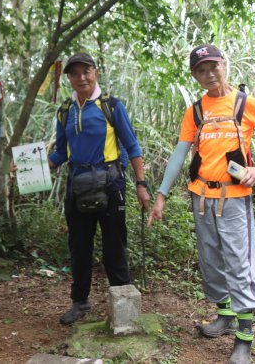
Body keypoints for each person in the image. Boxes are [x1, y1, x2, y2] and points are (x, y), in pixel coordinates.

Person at [148, 45, 255, 364]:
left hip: (235, 198)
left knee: (239, 265)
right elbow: (180, 153)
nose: (209, 73)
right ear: (195, 76)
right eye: (201, 69)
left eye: (213, 66)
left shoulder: (245, 104)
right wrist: (161, 194)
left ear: (224, 65)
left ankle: (244, 338)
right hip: (202, 197)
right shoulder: (195, 111)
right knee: (211, 261)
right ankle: (224, 316)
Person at [48, 52, 150, 325]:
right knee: (79, 246)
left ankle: (123, 307)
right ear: (69, 78)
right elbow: (60, 152)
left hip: (110, 184)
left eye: (86, 71)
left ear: (96, 72)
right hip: (77, 186)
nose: (81, 78)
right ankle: (80, 303)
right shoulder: (65, 111)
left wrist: (141, 184)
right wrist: (32, 169)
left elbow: (132, 146)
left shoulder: (111, 106)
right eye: (75, 73)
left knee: (114, 245)